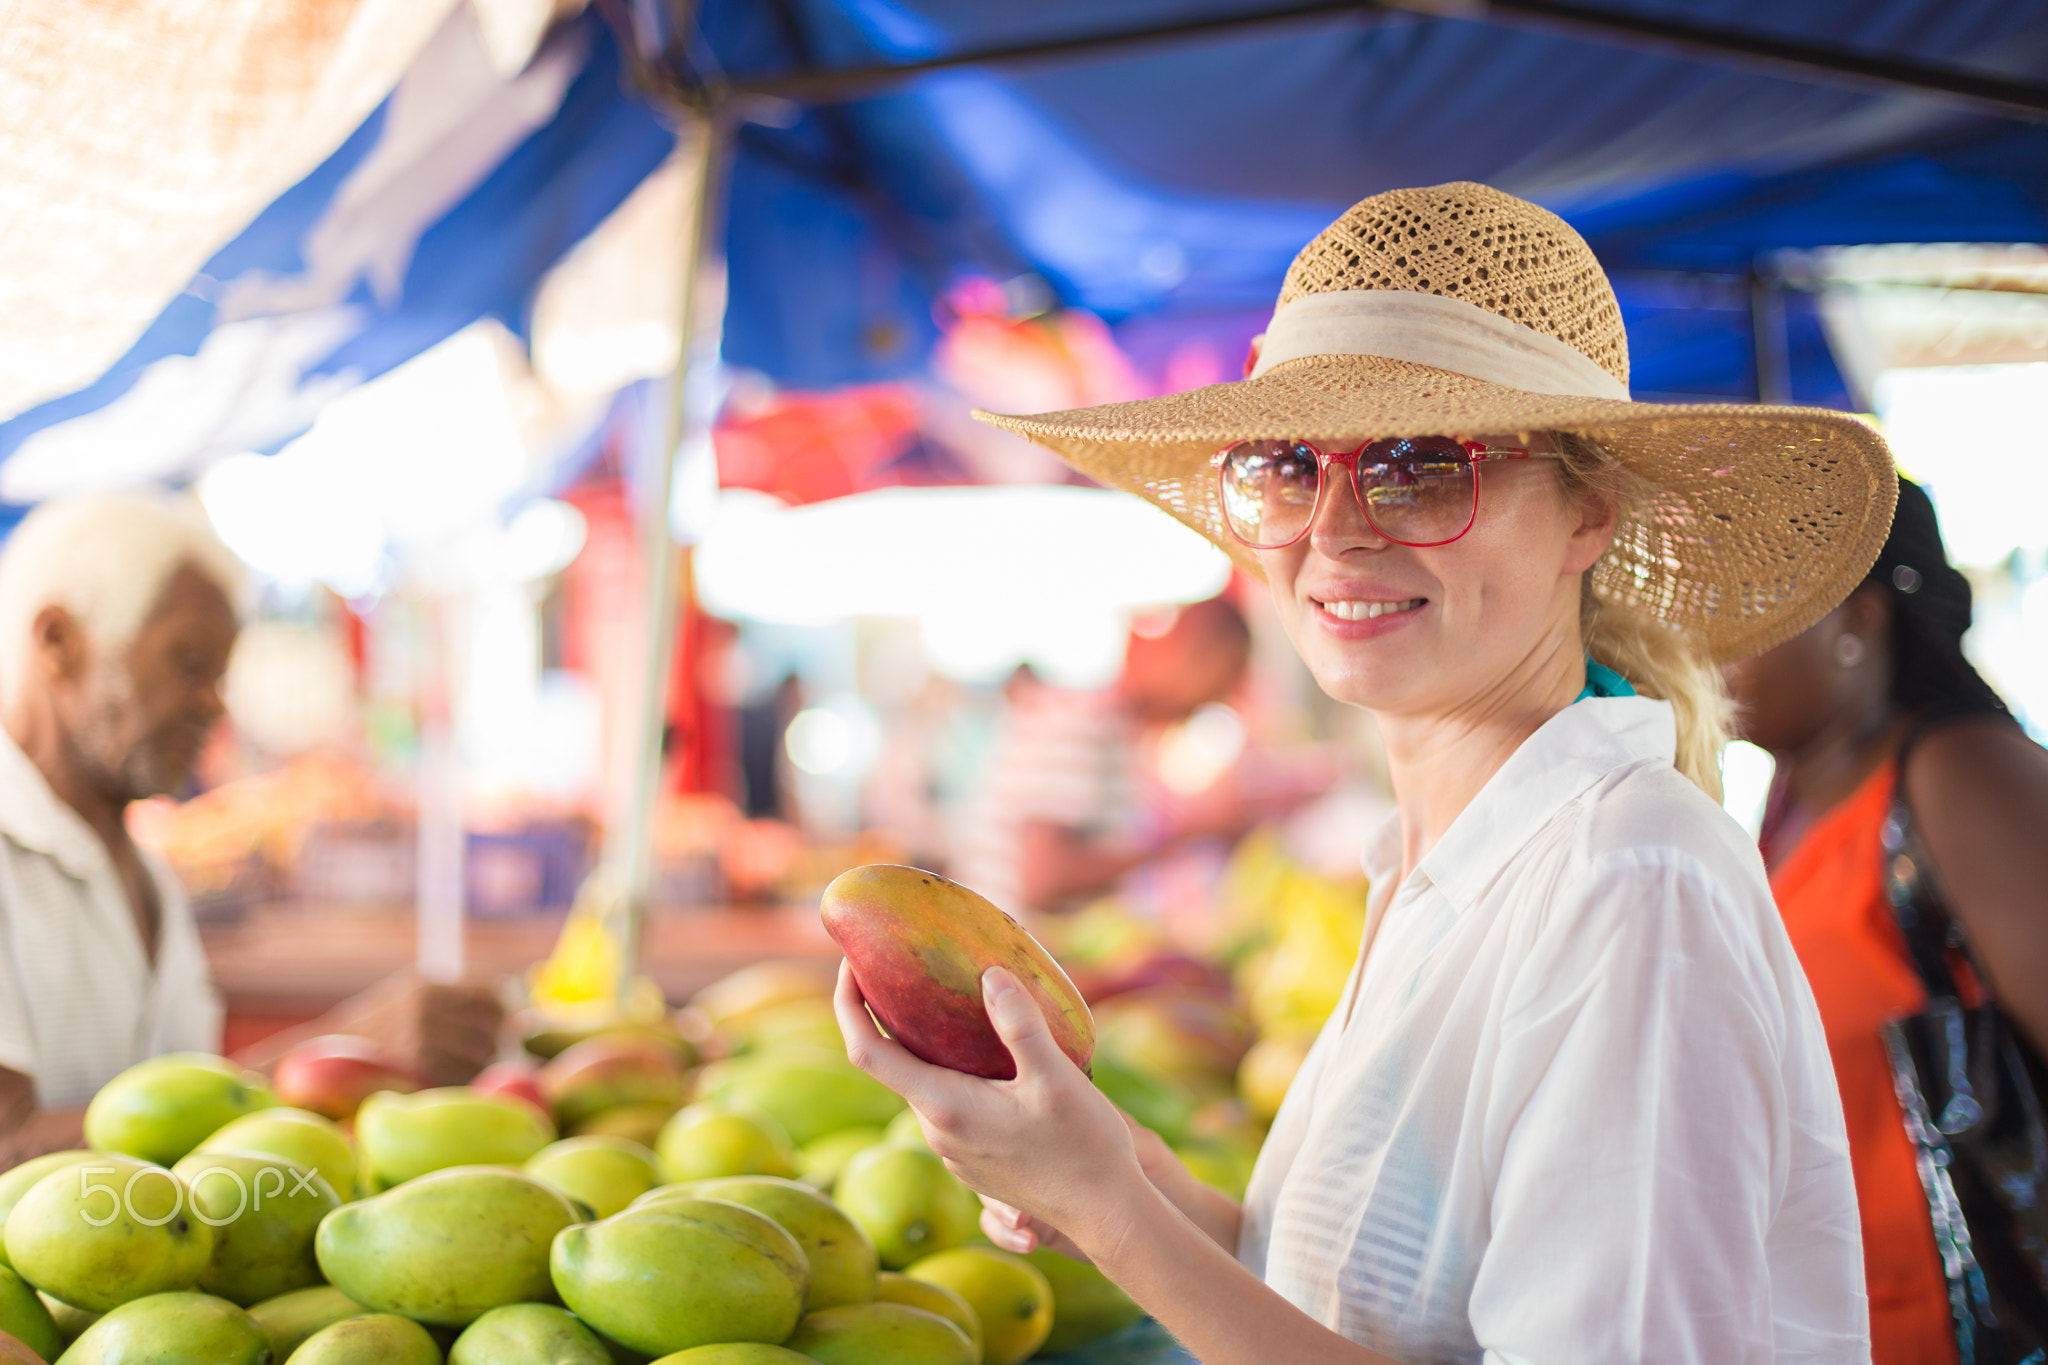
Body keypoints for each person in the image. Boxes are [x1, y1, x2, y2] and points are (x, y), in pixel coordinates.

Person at [833, 182, 1896, 1362]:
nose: (1334, 529)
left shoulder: (1627, 878)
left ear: (1586, 513)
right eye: (1290, 465)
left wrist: (1112, 1213)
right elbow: (1380, 1309)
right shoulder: (1442, 863)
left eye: (1417, 466)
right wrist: (1140, 1190)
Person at [0, 493, 501, 1165]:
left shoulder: (142, 870)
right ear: (59, 641)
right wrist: (322, 1062)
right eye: (189, 662)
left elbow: (181, 1123)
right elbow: (9, 1143)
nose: (215, 703)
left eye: (220, 672)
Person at [1723, 479, 2048, 1365]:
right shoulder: (1787, 804)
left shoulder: (1963, 773)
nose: (1712, 632)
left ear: (1857, 624)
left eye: (1749, 598)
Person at [948, 595, 1266, 915]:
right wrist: (1186, 837)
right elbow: (1045, 881)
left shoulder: (1116, 736)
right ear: (1195, 658)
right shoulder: (1084, 725)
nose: (1221, 697)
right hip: (1005, 952)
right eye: (1225, 677)